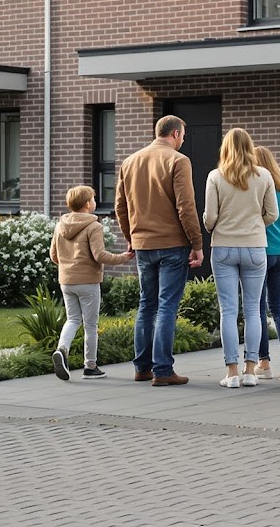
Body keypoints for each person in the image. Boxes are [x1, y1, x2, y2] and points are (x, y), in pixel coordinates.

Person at [114, 115, 203, 386]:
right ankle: (163, 370)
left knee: (146, 305)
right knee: (166, 306)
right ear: (175, 134)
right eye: (183, 135)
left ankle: (142, 368)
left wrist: (130, 237)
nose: (183, 140)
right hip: (172, 244)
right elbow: (186, 206)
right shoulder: (178, 160)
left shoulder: (130, 162)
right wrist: (197, 244)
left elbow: (120, 206)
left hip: (143, 244)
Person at [202, 127, 278, 388]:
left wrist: (212, 225)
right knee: (253, 310)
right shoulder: (264, 175)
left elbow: (210, 217)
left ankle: (232, 372)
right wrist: (255, 226)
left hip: (223, 247)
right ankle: (250, 371)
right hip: (255, 247)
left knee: (228, 310)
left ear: (225, 148)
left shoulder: (215, 176)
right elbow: (273, 214)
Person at [48, 185, 134, 381]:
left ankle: (62, 348)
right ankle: (90, 366)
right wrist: (123, 257)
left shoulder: (60, 225)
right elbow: (99, 255)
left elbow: (54, 255)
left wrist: (69, 267)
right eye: (94, 199)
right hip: (88, 281)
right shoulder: (94, 226)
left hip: (66, 281)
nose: (95, 202)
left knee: (72, 319)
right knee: (91, 325)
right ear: (88, 204)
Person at [252, 144, 280, 382]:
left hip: (263, 252)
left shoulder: (258, 187)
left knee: (259, 308)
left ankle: (264, 363)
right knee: (277, 307)